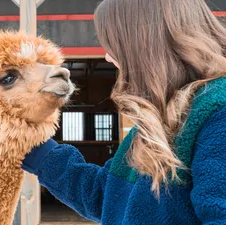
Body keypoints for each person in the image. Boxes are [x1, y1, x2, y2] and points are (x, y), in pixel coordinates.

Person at [21, 0, 226, 224]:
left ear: (146, 42)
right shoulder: (161, 119)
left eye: (115, 45)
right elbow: (108, 198)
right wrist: (38, 149)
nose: (108, 57)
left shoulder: (217, 114)